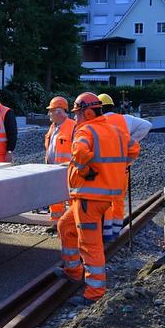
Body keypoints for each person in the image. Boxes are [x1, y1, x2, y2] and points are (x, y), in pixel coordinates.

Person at [55, 92, 139, 306]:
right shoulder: (117, 130)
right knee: (65, 226)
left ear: (89, 112)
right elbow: (134, 149)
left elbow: (80, 153)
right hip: (95, 197)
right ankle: (74, 271)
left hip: (89, 198)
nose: (75, 118)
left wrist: (86, 171)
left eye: (77, 114)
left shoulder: (86, 130)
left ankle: (94, 292)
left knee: (89, 245)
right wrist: (114, 170)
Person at [98, 93, 150, 242]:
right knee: (119, 199)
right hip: (122, 168)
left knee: (106, 199)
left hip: (104, 169)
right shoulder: (125, 119)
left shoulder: (96, 121)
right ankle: (116, 231)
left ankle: (106, 233)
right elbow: (147, 125)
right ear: (112, 106)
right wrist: (131, 141)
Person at [43, 96, 76, 233]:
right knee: (55, 197)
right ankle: (56, 224)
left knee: (72, 199)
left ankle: (74, 225)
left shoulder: (73, 127)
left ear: (59, 112)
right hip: (53, 169)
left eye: (51, 111)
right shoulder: (53, 127)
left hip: (69, 170)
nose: (49, 114)